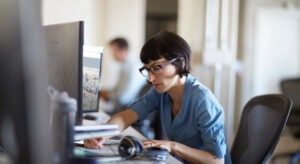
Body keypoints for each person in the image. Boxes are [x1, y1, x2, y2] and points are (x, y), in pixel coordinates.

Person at [85, 31, 229, 164]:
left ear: (181, 63)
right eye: (147, 69)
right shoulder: (161, 92)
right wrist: (102, 134)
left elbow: (216, 160)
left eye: (156, 67)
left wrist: (172, 146)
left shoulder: (202, 99)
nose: (150, 78)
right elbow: (127, 116)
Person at [101, 37, 145, 115]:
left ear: (124, 50)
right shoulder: (129, 65)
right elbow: (118, 91)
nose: (112, 55)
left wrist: (104, 94)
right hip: (125, 108)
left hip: (127, 110)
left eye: (114, 51)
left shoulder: (130, 68)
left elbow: (123, 98)